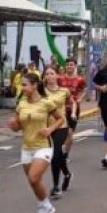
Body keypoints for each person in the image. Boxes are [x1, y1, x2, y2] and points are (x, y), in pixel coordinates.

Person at [7, 72, 65, 213]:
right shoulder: (21, 104)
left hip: (43, 146)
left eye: (25, 85)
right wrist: (13, 125)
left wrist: (50, 129)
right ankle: (47, 206)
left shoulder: (46, 103)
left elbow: (61, 119)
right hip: (27, 147)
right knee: (34, 181)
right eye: (22, 85)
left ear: (34, 85)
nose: (22, 87)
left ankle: (42, 207)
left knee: (33, 178)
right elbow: (18, 127)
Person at [44, 67, 73, 198]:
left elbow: (73, 103)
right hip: (46, 127)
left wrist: (73, 112)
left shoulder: (64, 91)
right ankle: (67, 174)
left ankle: (56, 186)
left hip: (61, 125)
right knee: (59, 155)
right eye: (47, 74)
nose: (49, 76)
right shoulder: (41, 92)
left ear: (56, 76)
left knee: (55, 155)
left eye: (52, 73)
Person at [56, 58, 86, 156]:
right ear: (65, 66)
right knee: (61, 132)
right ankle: (59, 149)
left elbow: (84, 90)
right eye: (68, 64)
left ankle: (66, 154)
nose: (70, 66)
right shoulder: (59, 79)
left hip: (74, 109)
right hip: (61, 109)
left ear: (75, 66)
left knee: (70, 132)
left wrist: (80, 98)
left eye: (72, 65)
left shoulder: (80, 79)